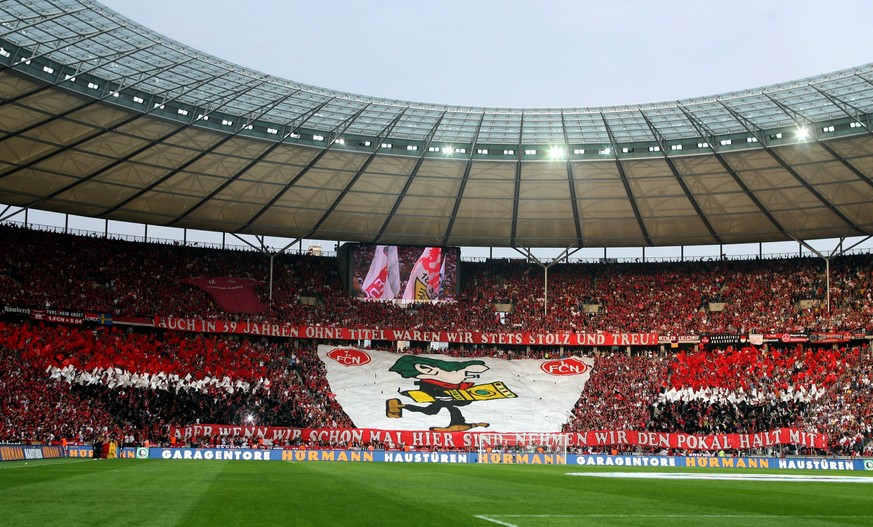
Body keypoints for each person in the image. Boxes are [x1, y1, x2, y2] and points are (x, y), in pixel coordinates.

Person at [385, 355, 514, 431]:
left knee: (432, 410)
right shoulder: (431, 381)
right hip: (442, 396)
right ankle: (401, 406)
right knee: (431, 410)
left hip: (446, 398)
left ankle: (457, 423)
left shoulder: (457, 386)